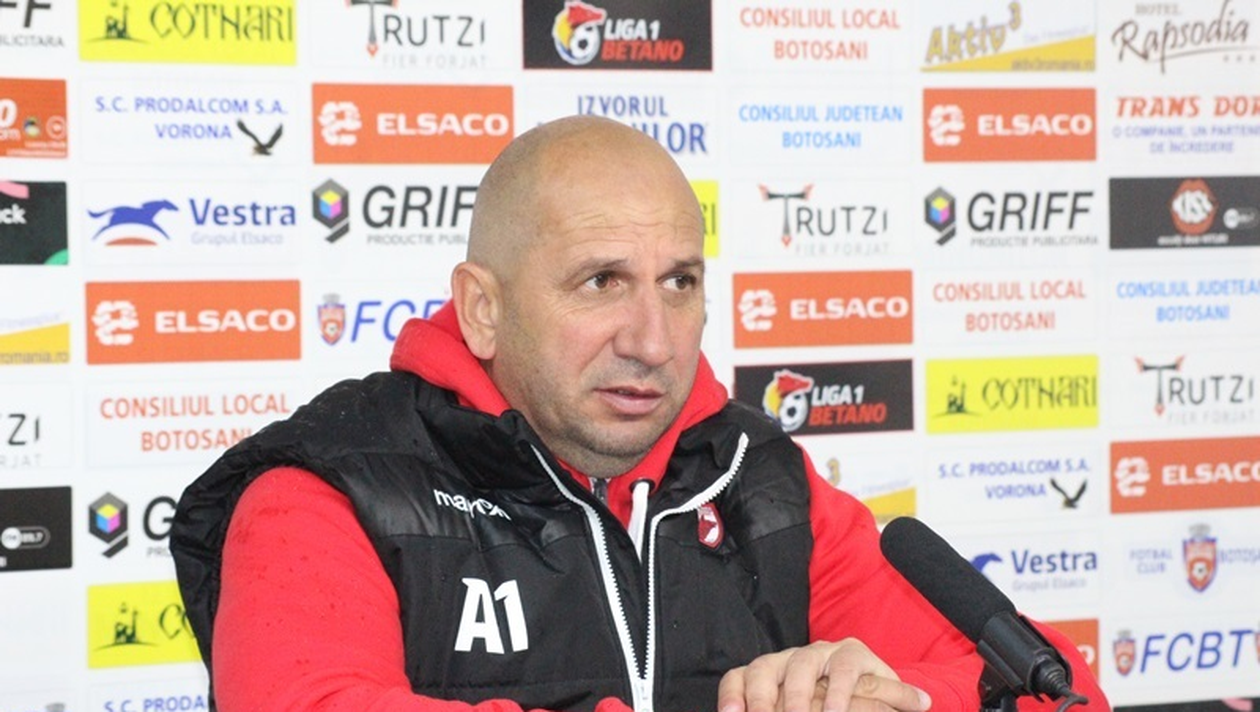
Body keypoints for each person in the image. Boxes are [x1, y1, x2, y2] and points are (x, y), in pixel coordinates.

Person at [171, 116, 1108, 712]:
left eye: (680, 283)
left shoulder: (761, 484)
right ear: (483, 309)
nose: (654, 341)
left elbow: (1055, 688)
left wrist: (890, 699)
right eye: (602, 282)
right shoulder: (328, 491)